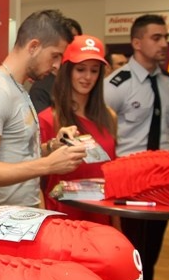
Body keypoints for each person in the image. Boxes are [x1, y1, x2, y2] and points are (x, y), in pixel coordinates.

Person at [0, 9, 87, 210]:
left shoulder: (18, 88)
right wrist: (48, 165)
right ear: (34, 47)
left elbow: (16, 153)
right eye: (54, 56)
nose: (57, 66)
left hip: (20, 220)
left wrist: (52, 147)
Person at [104, 14, 169, 280]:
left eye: (166, 38)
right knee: (130, 251)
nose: (164, 44)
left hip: (162, 183)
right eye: (156, 38)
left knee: (152, 250)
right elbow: (102, 132)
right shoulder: (116, 84)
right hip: (129, 183)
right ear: (137, 42)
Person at [38, 35, 117, 224]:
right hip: (63, 218)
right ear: (68, 71)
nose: (87, 77)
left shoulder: (109, 117)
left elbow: (111, 176)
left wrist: (116, 223)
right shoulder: (48, 119)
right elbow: (37, 180)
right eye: (80, 69)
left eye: (94, 70)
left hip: (101, 216)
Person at [28, 17, 82, 113]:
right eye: (66, 39)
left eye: (73, 40)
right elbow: (44, 125)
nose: (69, 45)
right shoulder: (41, 87)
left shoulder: (82, 81)